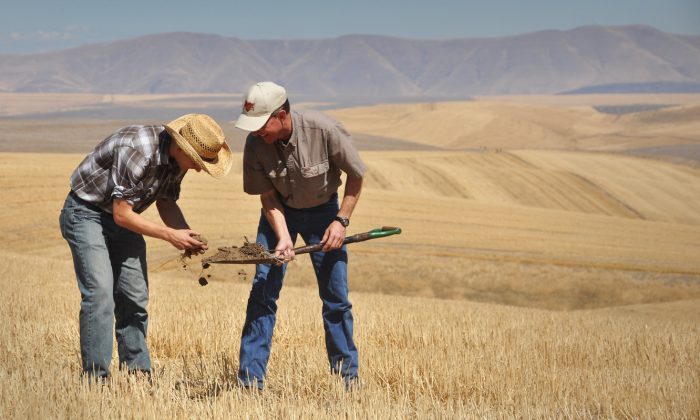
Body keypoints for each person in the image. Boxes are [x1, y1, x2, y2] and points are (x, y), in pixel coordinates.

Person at [59, 114, 232, 380]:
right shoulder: (138, 150)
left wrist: (186, 235)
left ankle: (137, 373)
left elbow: (166, 201)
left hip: (124, 220)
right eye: (197, 162)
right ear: (180, 146)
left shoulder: (177, 162)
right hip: (86, 213)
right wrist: (170, 235)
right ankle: (96, 379)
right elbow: (121, 214)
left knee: (134, 295)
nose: (198, 169)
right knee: (100, 293)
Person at [234, 81, 366, 389]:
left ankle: (347, 382)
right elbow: (267, 197)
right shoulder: (256, 144)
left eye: (261, 125)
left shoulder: (325, 130)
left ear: (281, 115)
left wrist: (340, 222)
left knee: (335, 298)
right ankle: (250, 383)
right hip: (278, 213)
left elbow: (356, 177)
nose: (256, 133)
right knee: (262, 293)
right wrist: (282, 237)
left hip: (325, 213)